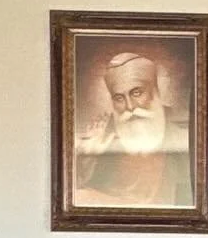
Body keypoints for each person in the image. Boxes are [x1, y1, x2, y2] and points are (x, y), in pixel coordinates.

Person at [73, 52, 193, 207]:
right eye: (119, 98)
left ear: (155, 92)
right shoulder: (106, 141)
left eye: (137, 93)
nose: (130, 107)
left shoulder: (184, 140)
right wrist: (87, 156)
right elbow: (73, 194)